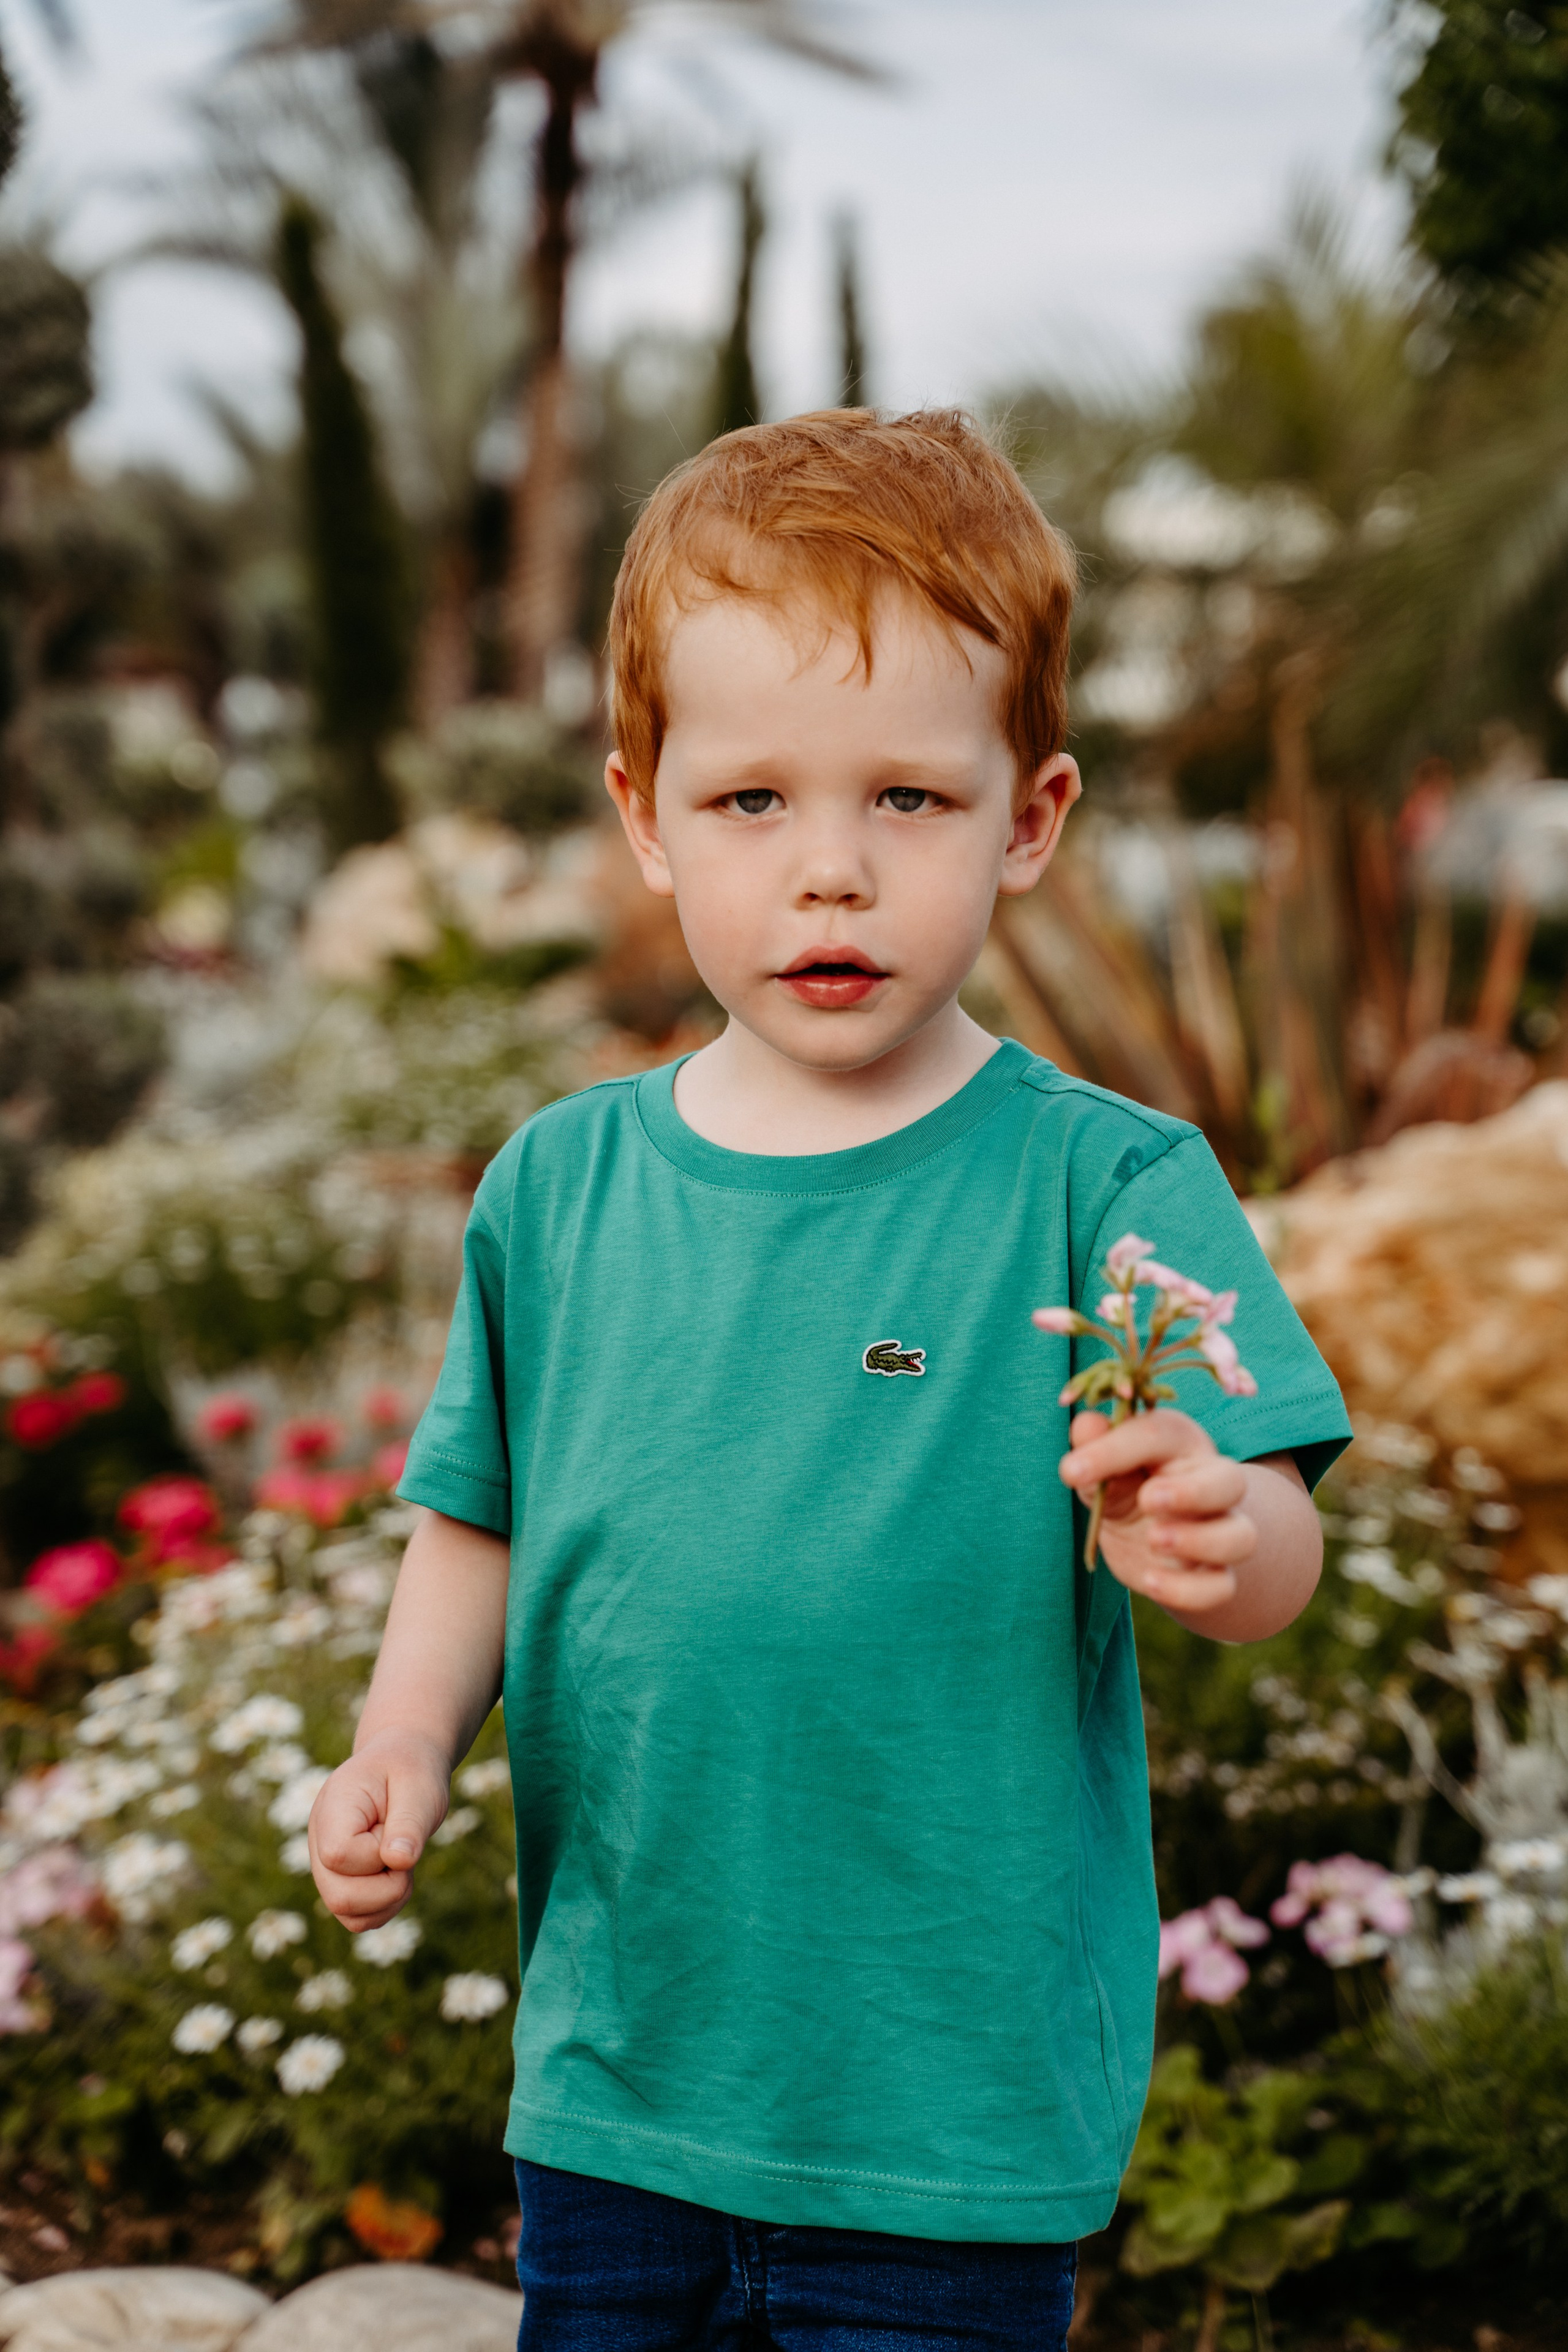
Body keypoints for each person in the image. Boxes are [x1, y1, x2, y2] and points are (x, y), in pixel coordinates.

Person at [308, 410, 1350, 2351]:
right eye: (753, 803)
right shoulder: (559, 1186)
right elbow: (478, 1523)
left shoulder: (1102, 1183)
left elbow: (1273, 1524)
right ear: (644, 815)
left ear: (1028, 819)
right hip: (622, 2086)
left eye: (910, 802)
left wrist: (1229, 1529)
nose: (834, 876)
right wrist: (400, 1747)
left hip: (940, 2125)